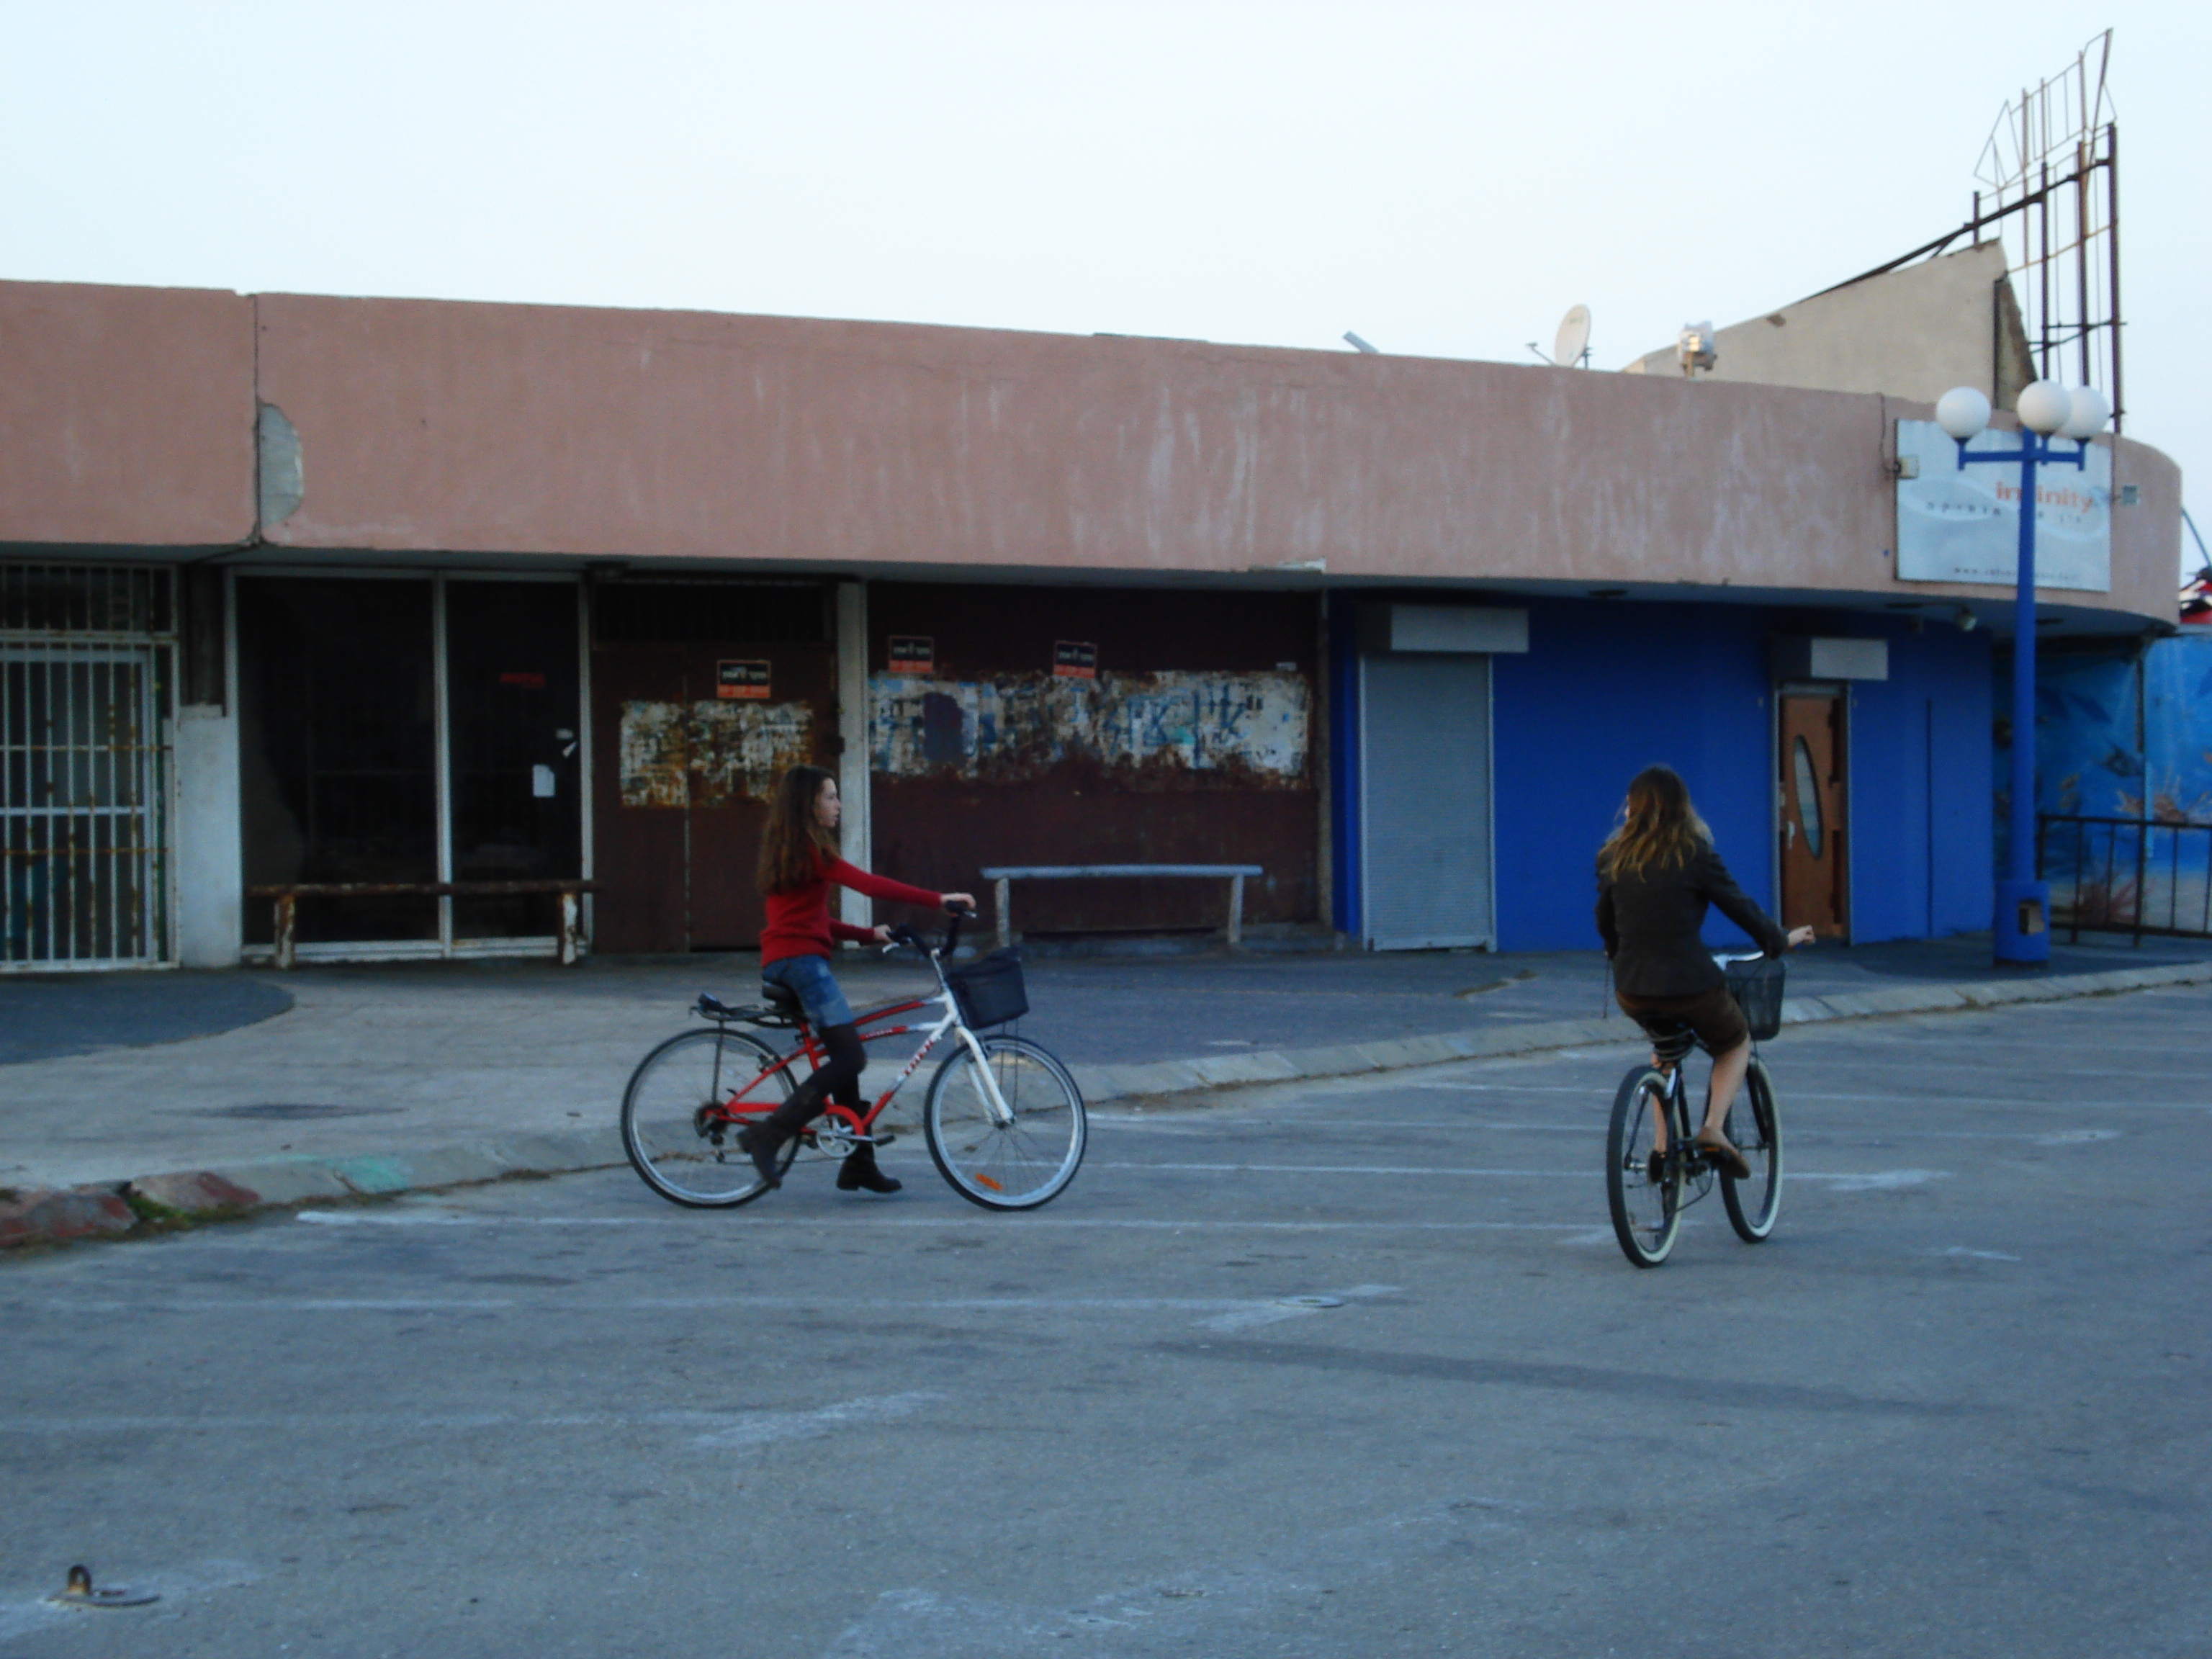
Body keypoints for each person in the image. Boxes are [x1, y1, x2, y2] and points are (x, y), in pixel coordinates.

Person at [739, 764, 974, 1195]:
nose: (838, 805)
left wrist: (867, 935)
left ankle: (858, 1163)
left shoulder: (789, 850)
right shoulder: (812, 850)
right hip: (802, 965)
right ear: (809, 804)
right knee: (851, 1058)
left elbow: (809, 920)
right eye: (830, 797)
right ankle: (767, 1135)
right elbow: (868, 885)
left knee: (845, 1051)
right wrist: (938, 900)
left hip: (790, 960)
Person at [1594, 765, 1814, 1179]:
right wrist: (1781, 939)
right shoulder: (1693, 853)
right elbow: (1740, 907)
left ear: (1635, 807)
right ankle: (1713, 1128)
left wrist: (1616, 951)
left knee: (1664, 1049)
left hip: (1632, 987)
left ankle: (1661, 1149)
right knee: (1734, 1042)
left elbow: (1605, 920)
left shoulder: (1613, 857)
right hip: (1689, 985)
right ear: (1681, 807)